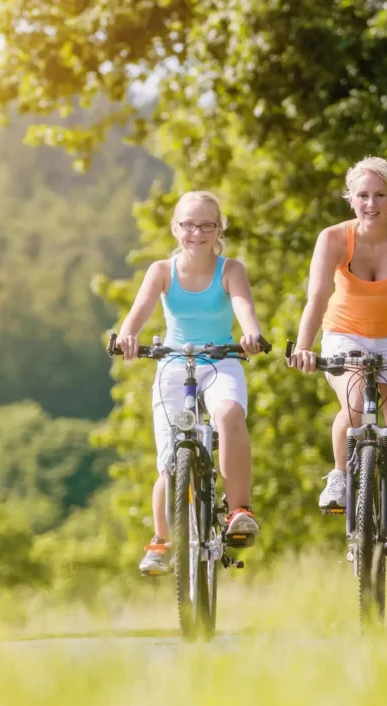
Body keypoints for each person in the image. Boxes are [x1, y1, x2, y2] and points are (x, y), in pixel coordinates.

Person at [288, 156, 387, 595]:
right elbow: (316, 296)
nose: (371, 203)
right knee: (354, 400)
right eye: (362, 195)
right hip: (346, 334)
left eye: (380, 195)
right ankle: (340, 474)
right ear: (350, 198)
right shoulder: (334, 238)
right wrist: (303, 345)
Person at [114, 191, 266, 576]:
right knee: (170, 461)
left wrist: (250, 333)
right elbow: (140, 311)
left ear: (219, 230)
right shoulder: (162, 271)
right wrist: (127, 336)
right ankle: (161, 540)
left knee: (229, 414)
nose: (196, 233)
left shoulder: (231, 269)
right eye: (188, 225)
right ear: (174, 228)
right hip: (173, 363)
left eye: (206, 225)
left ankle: (239, 511)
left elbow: (243, 306)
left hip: (221, 360)